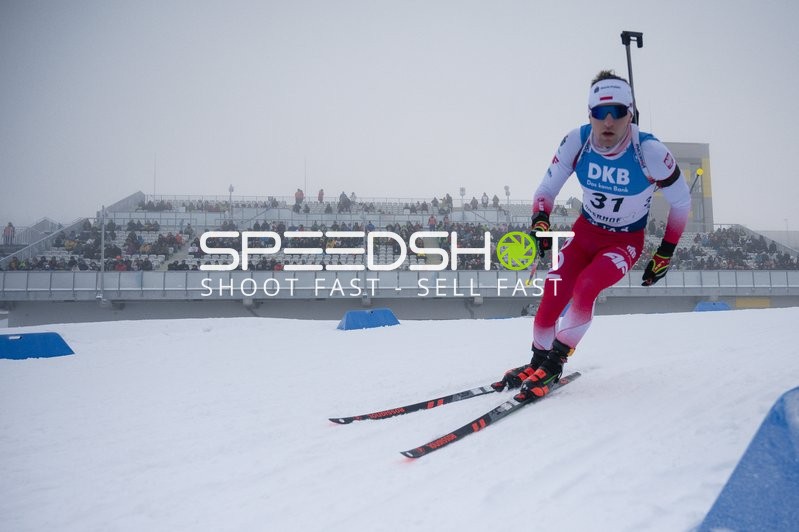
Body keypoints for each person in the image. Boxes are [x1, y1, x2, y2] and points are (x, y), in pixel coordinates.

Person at [492, 70, 691, 400]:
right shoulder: (577, 141)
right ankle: (537, 360)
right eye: (600, 112)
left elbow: (681, 202)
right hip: (585, 233)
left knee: (585, 288)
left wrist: (665, 252)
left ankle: (555, 361)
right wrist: (540, 221)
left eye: (617, 112)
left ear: (631, 114)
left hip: (624, 241)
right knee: (553, 294)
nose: (608, 121)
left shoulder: (650, 151)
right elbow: (546, 188)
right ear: (590, 114)